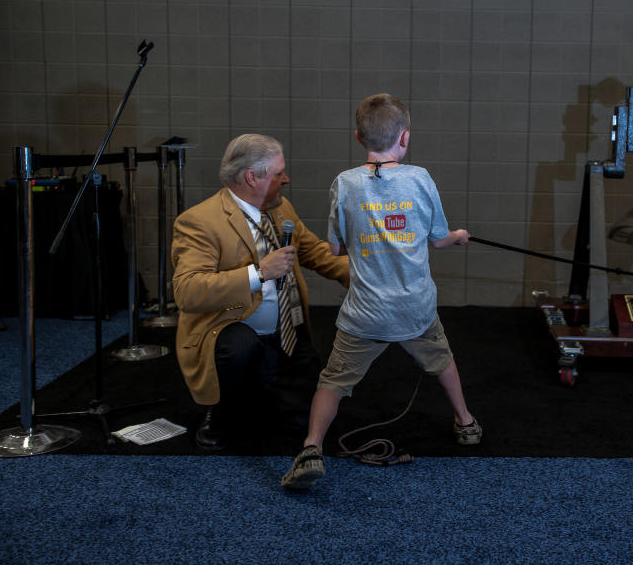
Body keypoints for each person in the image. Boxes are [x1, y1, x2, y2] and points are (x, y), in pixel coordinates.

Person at [281, 93, 480, 490]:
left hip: (365, 313)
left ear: (358, 137)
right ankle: (466, 422)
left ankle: (310, 447)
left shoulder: (344, 183)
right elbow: (439, 240)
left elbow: (335, 249)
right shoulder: (421, 178)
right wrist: (458, 236)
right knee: (441, 360)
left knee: (333, 380)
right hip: (415, 310)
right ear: (404, 138)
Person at [171, 133, 349, 450]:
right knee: (239, 349)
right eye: (279, 173)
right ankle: (220, 411)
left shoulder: (281, 209)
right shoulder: (199, 222)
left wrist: (375, 278)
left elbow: (317, 254)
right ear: (252, 177)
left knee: (304, 421)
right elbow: (188, 291)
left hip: (285, 330)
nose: (287, 178)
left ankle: (259, 390)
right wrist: (259, 273)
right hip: (230, 330)